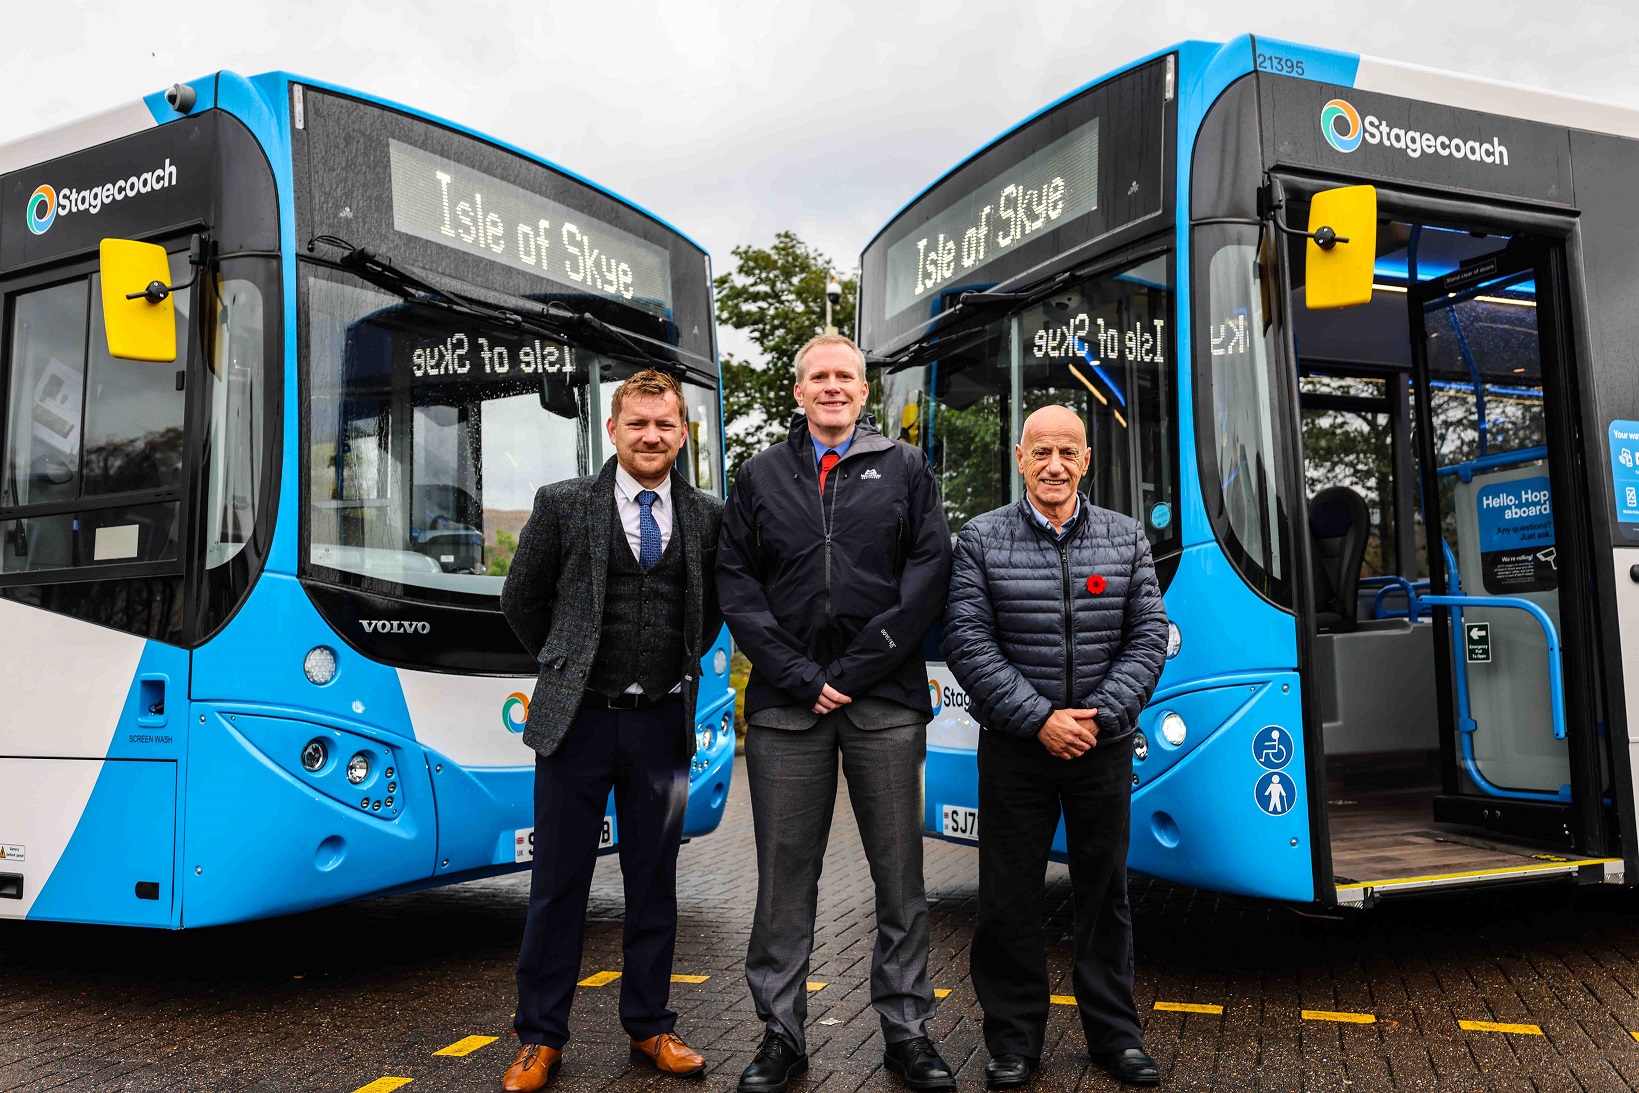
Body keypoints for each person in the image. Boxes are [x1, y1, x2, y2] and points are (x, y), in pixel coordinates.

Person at [717, 334, 955, 1093]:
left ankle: (906, 1031)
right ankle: (781, 1034)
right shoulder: (757, 475)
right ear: (798, 389)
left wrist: (852, 670)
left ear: (863, 389)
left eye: (843, 376)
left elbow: (926, 575)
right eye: (817, 375)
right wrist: (796, 673)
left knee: (899, 876)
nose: (831, 387)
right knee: (784, 878)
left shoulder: (907, 469)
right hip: (787, 709)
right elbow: (737, 586)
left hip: (882, 700)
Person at [498, 368, 723, 1092]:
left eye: (664, 424)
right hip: (578, 724)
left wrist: (669, 667)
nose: (651, 435)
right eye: (638, 423)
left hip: (661, 723)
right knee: (557, 885)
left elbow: (709, 610)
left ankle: (650, 1026)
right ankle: (540, 1037)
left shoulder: (708, 514)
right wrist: (564, 663)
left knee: (653, 883)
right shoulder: (563, 504)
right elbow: (521, 598)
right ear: (613, 429)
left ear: (682, 432)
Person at [943, 405, 1170, 1088]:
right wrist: (1039, 717)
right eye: (1040, 451)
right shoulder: (980, 539)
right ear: (1019, 457)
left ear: (1085, 459)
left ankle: (1114, 1038)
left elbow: (1148, 635)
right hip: (1016, 748)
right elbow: (966, 641)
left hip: (1102, 744)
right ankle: (1013, 1041)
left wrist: (1099, 716)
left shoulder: (1126, 538)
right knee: (1007, 899)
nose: (1053, 465)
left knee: (1104, 894)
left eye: (1066, 452)